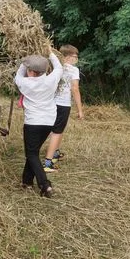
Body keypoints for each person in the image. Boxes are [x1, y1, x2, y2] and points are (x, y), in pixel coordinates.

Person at [15, 52, 63, 197]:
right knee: (33, 151)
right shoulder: (51, 80)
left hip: (33, 123)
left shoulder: (24, 82)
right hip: (48, 121)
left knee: (31, 153)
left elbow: (18, 73)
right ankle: (27, 181)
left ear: (31, 71)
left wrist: (26, 61)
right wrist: (50, 53)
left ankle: (45, 185)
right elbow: (59, 68)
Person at [43, 44, 84, 172]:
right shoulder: (73, 70)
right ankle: (48, 163)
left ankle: (55, 153)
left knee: (56, 129)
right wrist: (80, 110)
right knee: (57, 132)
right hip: (63, 105)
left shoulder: (54, 67)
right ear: (66, 57)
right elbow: (75, 89)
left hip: (51, 103)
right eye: (74, 56)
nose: (76, 58)